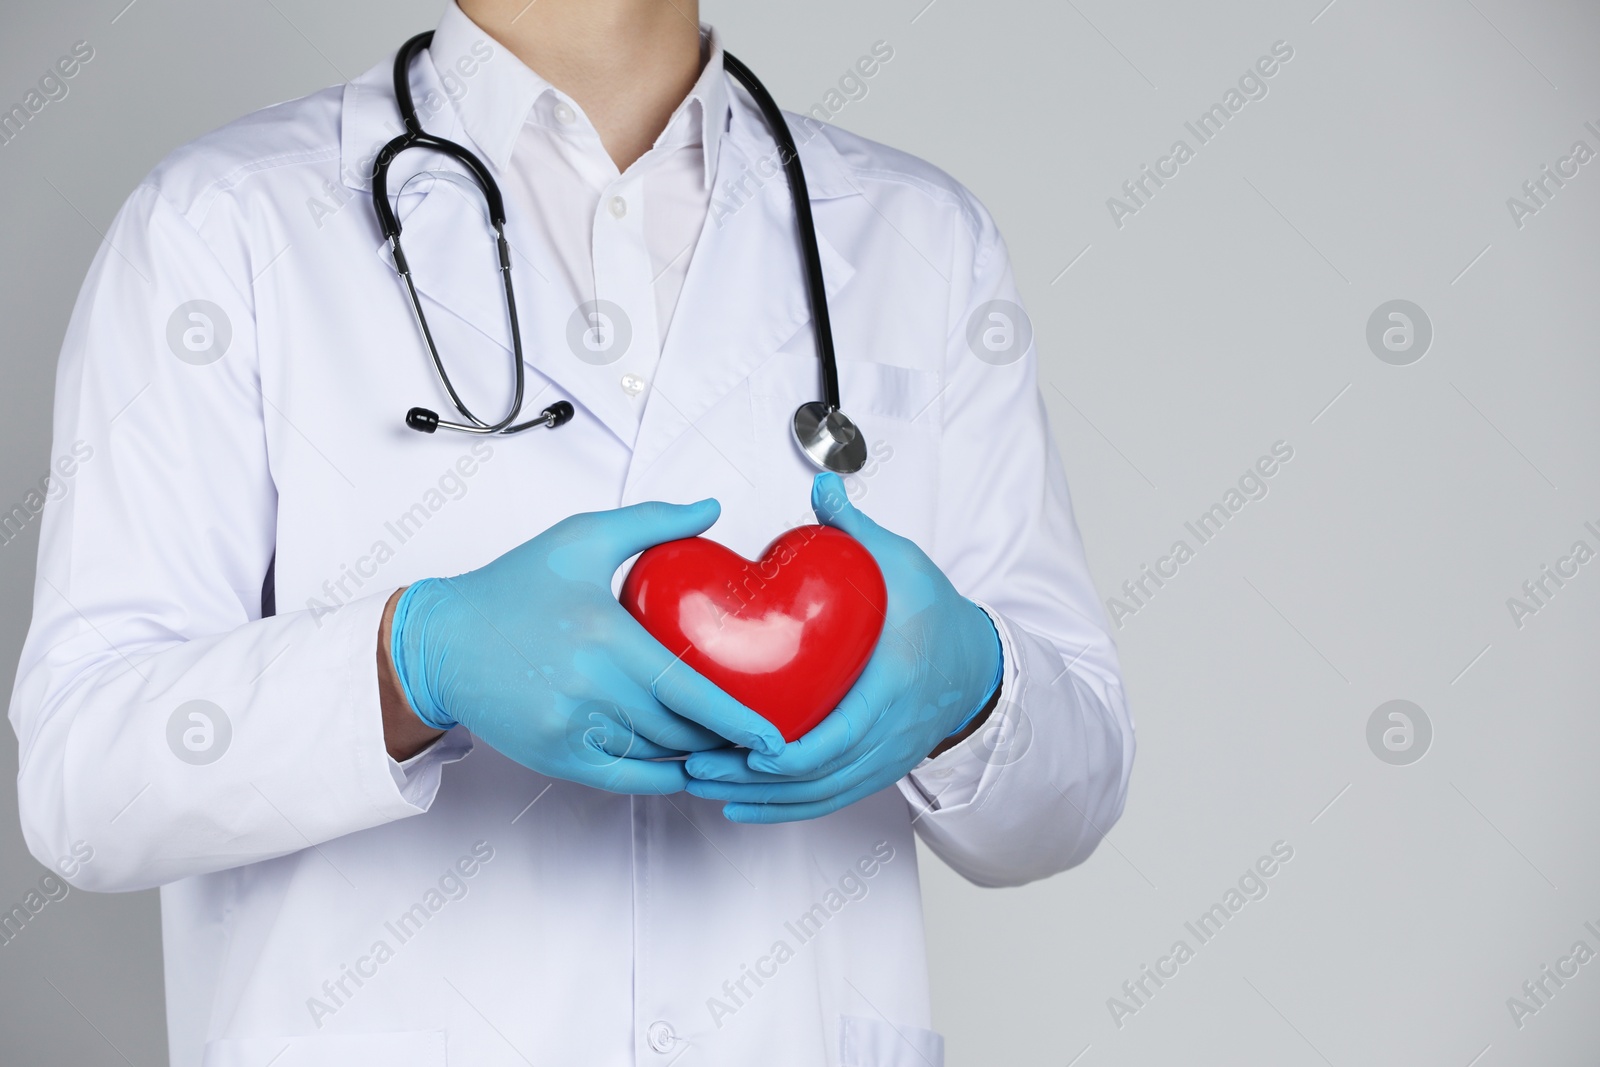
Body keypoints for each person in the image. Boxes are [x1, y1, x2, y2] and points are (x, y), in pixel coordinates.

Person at [8, 1, 1134, 1063]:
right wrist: (413, 662)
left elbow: (1068, 795)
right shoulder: (227, 221)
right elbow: (80, 781)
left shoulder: (919, 239)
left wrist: (976, 689)